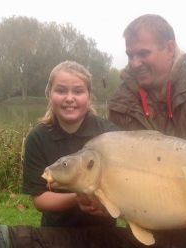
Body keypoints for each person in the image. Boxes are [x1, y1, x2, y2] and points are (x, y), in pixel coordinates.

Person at [108, 14, 186, 224]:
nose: (134, 63)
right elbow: (114, 166)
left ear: (169, 49)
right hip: (144, 214)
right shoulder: (118, 102)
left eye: (143, 53)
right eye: (130, 55)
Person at [22, 61, 119, 227]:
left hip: (104, 233)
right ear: (49, 94)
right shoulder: (37, 137)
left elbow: (121, 185)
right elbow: (40, 199)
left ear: (89, 96)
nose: (69, 98)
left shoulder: (109, 133)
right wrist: (78, 198)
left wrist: (105, 203)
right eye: (60, 90)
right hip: (56, 234)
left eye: (78, 91)